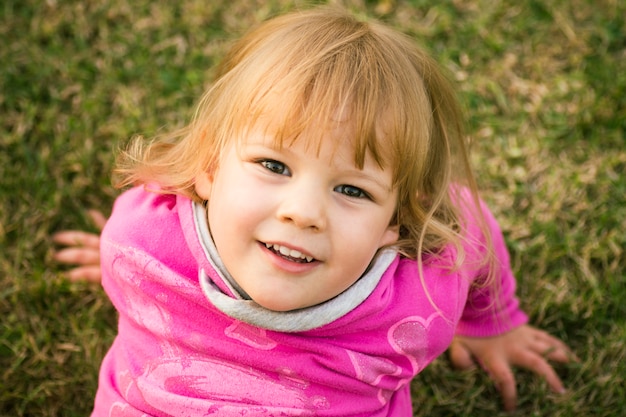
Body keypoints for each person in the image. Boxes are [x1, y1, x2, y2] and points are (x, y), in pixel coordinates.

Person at [53, 6, 575, 416]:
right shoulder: (141, 240)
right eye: (273, 165)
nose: (303, 213)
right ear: (208, 167)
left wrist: (494, 322)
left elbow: (468, 220)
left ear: (397, 220)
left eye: (352, 191)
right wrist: (121, 258)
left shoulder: (421, 298)